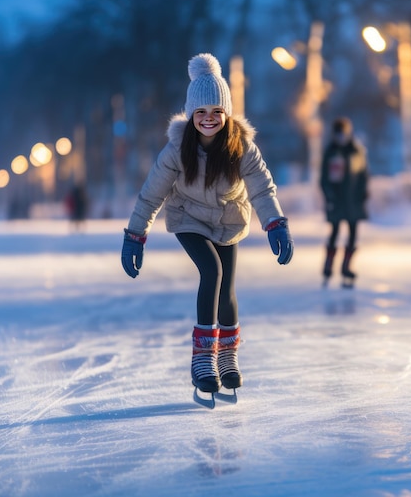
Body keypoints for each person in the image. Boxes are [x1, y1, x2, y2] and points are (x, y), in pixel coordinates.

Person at [121, 53, 293, 395]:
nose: (209, 119)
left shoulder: (242, 146)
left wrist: (275, 223)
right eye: (201, 112)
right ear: (191, 115)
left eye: (216, 111)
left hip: (229, 220)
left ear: (226, 113)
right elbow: (151, 194)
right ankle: (203, 357)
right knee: (211, 271)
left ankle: (227, 357)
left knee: (227, 286)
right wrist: (135, 236)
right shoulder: (175, 150)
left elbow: (261, 186)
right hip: (189, 218)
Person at [320, 117, 368, 287]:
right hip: (337, 200)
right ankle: (328, 267)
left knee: (353, 233)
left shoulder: (356, 151)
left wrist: (363, 194)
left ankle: (347, 267)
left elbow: (363, 175)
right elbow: (324, 178)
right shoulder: (331, 152)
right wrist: (330, 197)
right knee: (334, 232)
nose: (341, 137)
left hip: (353, 201)